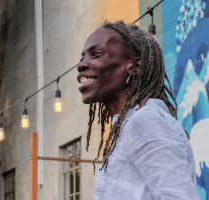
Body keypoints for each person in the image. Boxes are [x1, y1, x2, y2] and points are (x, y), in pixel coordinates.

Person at [77, 21, 200, 200]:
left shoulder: (146, 120)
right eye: (82, 57)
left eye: (96, 54)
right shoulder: (128, 125)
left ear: (135, 66)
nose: (81, 65)